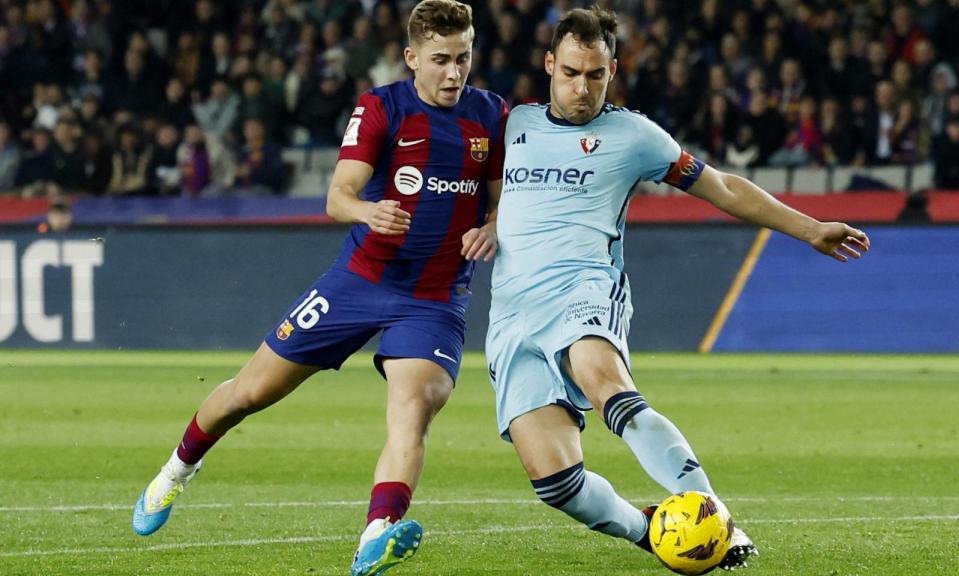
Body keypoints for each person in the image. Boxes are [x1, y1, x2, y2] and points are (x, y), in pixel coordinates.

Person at [486, 6, 870, 572]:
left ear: (612, 70)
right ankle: (658, 535)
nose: (582, 87)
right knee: (556, 482)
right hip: (512, 313)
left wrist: (810, 228)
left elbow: (723, 188)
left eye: (595, 75)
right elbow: (483, 189)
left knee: (605, 382)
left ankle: (717, 516)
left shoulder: (633, 135)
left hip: (584, 290)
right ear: (549, 64)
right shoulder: (515, 124)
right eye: (570, 72)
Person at [131, 4, 507, 576]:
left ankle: (375, 535)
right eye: (440, 61)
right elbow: (338, 197)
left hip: (435, 297)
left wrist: (494, 226)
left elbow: (505, 197)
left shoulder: (493, 116)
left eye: (463, 59)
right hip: (358, 281)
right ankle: (176, 471)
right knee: (249, 393)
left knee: (414, 409)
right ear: (411, 59)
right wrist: (369, 212)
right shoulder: (382, 107)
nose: (454, 73)